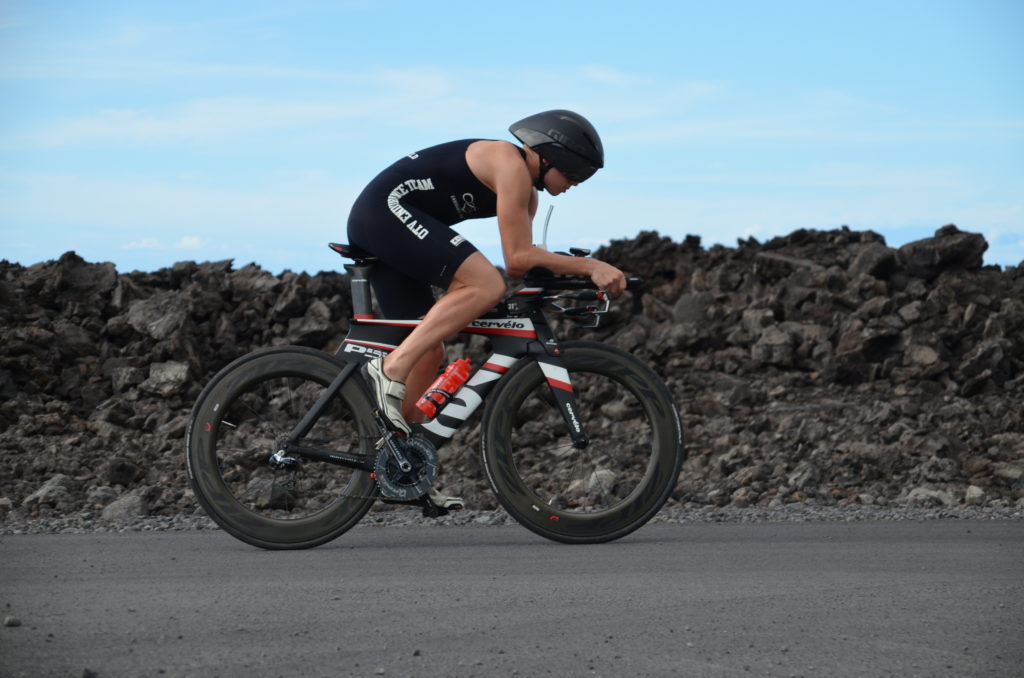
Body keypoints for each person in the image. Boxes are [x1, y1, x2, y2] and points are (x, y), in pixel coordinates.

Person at [346, 110, 626, 506]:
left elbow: (530, 260)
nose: (576, 184)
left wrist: (579, 277)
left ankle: (401, 465)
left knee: (430, 351)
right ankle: (389, 368)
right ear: (553, 157)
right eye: (577, 174)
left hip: (392, 223)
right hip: (385, 211)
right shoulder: (509, 164)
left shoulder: (526, 192)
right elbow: (515, 260)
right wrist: (592, 266)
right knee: (485, 284)